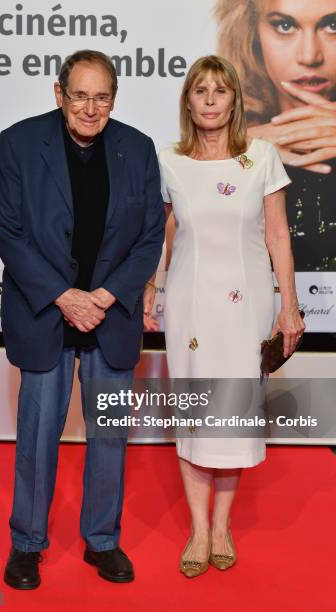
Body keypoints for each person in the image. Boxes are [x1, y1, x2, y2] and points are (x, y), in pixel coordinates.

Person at [0, 49, 164, 589]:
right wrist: (66, 296)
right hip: (47, 314)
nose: (91, 108)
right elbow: (9, 233)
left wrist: (106, 296)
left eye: (103, 97)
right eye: (81, 95)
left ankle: (103, 541)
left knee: (110, 435)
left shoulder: (137, 149)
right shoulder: (20, 142)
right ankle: (26, 545)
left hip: (110, 317)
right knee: (37, 437)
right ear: (59, 93)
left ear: (115, 97)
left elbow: (150, 236)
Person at [144, 55, 305, 577]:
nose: (210, 100)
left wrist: (290, 305)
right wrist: (150, 286)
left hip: (248, 305)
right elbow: (161, 236)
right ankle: (196, 527)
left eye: (220, 90)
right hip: (190, 304)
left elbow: (278, 235)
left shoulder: (261, 156)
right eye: (200, 91)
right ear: (187, 101)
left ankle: (221, 526)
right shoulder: (168, 161)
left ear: (235, 98)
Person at [215, 0, 336, 271]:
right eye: (285, 25)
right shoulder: (225, 140)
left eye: (332, 26)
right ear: (251, 34)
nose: (309, 55)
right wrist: (230, 148)